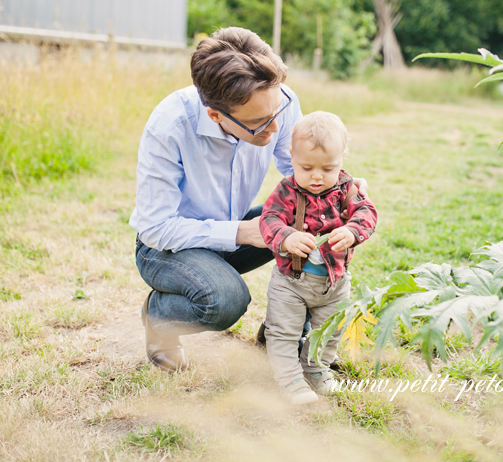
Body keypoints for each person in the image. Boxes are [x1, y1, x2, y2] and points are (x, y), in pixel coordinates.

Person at [129, 27, 366, 371]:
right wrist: (242, 233)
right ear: (216, 115)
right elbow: (155, 228)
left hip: (232, 231)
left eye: (277, 115)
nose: (274, 129)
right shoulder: (169, 127)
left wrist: (341, 191)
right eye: (259, 124)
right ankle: (159, 317)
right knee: (225, 301)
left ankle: (281, 335)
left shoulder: (278, 100)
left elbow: (297, 171)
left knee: (314, 220)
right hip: (167, 249)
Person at [259, 111, 378, 404]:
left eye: (328, 168)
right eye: (306, 167)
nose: (316, 176)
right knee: (284, 332)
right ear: (292, 157)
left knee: (329, 331)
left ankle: (314, 368)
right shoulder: (288, 190)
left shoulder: (346, 188)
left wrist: (352, 230)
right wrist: (286, 236)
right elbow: (269, 218)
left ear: (342, 158)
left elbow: (367, 212)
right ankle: (289, 380)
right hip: (291, 281)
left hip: (333, 282)